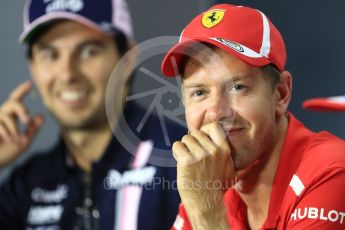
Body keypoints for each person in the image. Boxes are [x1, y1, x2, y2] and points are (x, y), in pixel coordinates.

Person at [0, 0, 185, 229]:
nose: (67, 73)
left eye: (89, 51)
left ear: (127, 58)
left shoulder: (182, 160)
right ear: (32, 66)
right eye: (50, 54)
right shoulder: (27, 184)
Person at [161, 4, 345, 230]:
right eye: (200, 92)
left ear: (280, 94)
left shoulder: (330, 171)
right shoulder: (210, 179)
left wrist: (206, 210)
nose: (217, 112)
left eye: (238, 87)